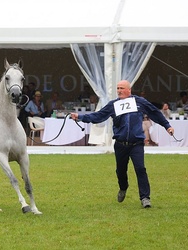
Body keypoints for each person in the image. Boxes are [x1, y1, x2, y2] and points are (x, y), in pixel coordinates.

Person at [71, 80, 174, 208]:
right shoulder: (113, 104)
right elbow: (99, 116)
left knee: (140, 169)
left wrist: (167, 126)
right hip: (120, 144)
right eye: (118, 88)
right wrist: (80, 117)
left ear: (129, 90)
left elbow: (155, 113)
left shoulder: (139, 102)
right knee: (121, 171)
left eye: (122, 88)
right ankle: (123, 187)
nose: (119, 90)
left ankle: (145, 198)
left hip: (136, 143)